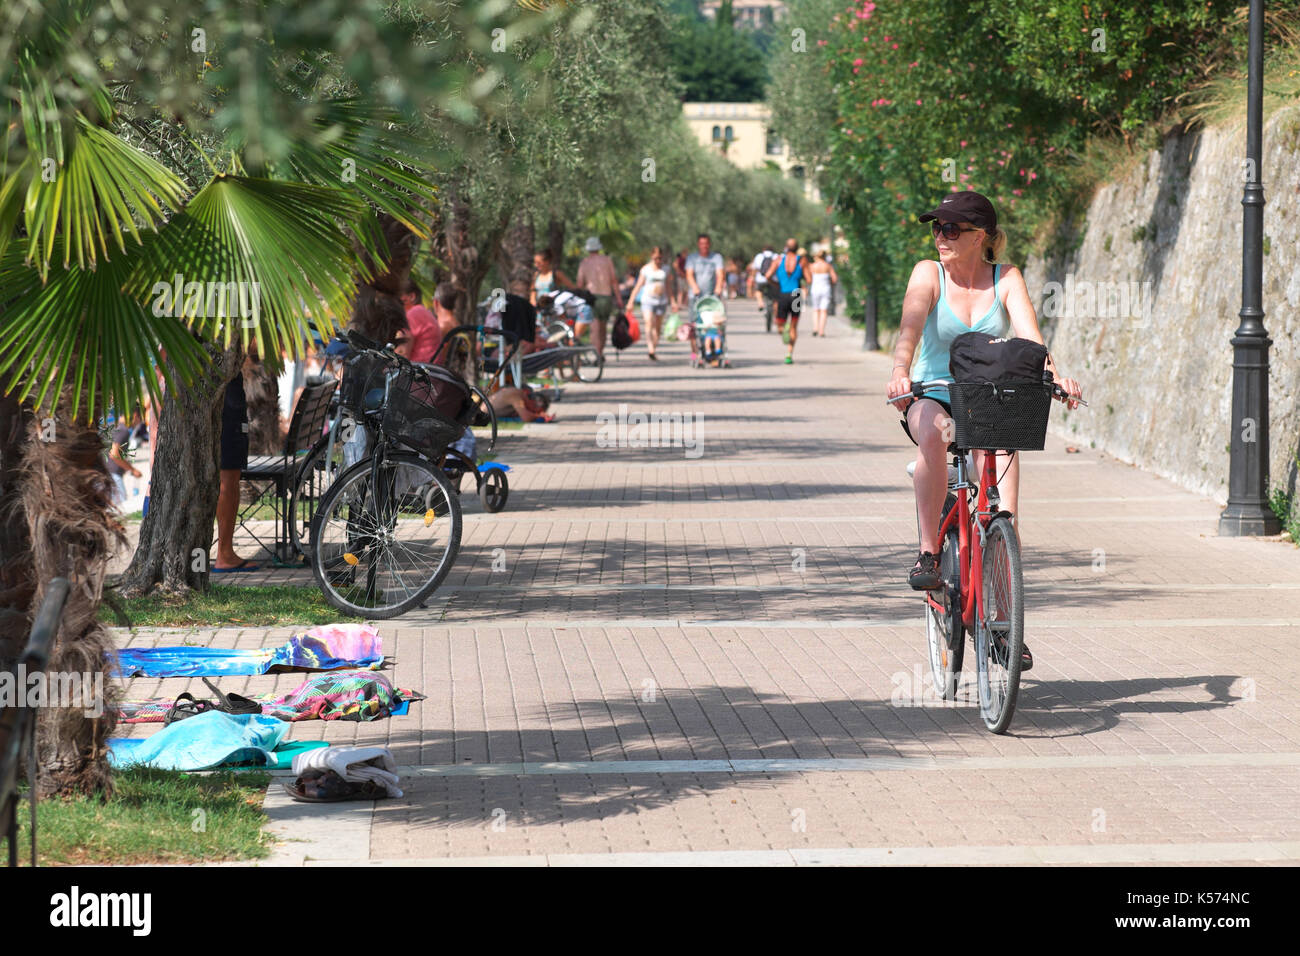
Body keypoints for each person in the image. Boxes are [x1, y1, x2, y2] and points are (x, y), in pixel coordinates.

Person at [885, 190, 1082, 670]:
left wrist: (1055, 376)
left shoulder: (1006, 277)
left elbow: (1031, 341)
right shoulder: (927, 273)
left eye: (951, 229)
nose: (940, 237)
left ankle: (1004, 620)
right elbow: (909, 328)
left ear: (981, 237)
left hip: (988, 399)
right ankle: (930, 554)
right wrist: (899, 370)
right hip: (932, 393)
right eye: (936, 227)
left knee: (1004, 511)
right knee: (934, 430)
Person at [214, 360, 257, 572]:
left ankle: (225, 551)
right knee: (228, 479)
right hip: (225, 399)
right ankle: (224, 553)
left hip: (226, 395)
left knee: (230, 478)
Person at [575, 236, 623, 361]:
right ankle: (600, 352)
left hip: (592, 297)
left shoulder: (584, 263)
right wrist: (619, 299)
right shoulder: (607, 260)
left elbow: (580, 283)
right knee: (602, 327)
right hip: (606, 296)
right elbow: (613, 281)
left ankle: (597, 353)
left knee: (594, 328)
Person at [764, 238, 807, 363]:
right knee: (794, 326)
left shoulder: (778, 260)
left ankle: (784, 329)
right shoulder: (802, 261)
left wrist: (776, 284)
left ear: (786, 247)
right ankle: (789, 354)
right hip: (796, 295)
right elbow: (809, 279)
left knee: (780, 325)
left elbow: (767, 276)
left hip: (783, 294)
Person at [628, 247, 672, 360]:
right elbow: (638, 285)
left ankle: (654, 347)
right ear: (652, 256)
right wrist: (631, 301)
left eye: (660, 258)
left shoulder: (666, 269)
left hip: (661, 301)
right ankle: (650, 348)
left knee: (657, 327)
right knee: (648, 323)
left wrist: (674, 301)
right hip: (648, 300)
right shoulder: (646, 269)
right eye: (656, 258)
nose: (658, 260)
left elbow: (668, 286)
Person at [105, 412, 143, 506]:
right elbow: (114, 454)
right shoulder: (123, 430)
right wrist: (132, 469)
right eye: (140, 420)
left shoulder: (111, 425)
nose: (138, 424)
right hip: (113, 474)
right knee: (121, 506)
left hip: (104, 471)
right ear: (135, 415)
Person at [399, 281, 441, 363]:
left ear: (411, 296)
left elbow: (402, 353)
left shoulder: (413, 313)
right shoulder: (423, 311)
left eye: (398, 297)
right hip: (430, 369)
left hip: (418, 370)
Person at [685, 233, 724, 311]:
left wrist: (718, 287)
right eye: (702, 244)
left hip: (712, 295)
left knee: (713, 320)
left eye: (706, 243)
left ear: (709, 244)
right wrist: (694, 287)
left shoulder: (716, 257)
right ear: (698, 244)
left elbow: (720, 274)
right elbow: (689, 275)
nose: (704, 246)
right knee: (695, 321)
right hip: (695, 295)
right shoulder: (692, 258)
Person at [808, 250, 838, 337]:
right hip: (825, 289)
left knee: (816, 310)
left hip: (815, 289)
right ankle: (821, 331)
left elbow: (809, 279)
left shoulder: (812, 266)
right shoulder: (828, 266)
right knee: (823, 311)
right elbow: (834, 279)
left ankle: (815, 328)